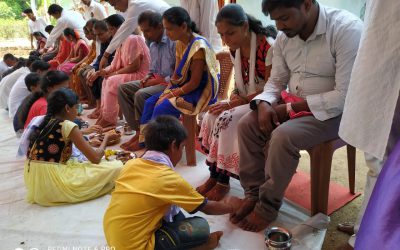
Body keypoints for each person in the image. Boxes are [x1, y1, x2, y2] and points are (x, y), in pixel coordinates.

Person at [229, 0, 363, 232]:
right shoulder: (284, 37)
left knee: (283, 136)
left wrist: (290, 109)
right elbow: (276, 81)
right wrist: (263, 103)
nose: (279, 26)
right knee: (247, 125)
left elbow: (343, 96)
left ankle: (267, 207)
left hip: (335, 113)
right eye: (276, 20)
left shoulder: (346, 29)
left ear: (307, 5)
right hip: (294, 104)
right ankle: (252, 193)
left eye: (285, 18)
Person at [104, 115, 233, 250]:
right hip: (134, 246)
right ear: (173, 146)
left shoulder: (131, 164)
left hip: (113, 235)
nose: (182, 151)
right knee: (201, 227)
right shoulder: (167, 179)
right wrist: (232, 206)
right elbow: (207, 208)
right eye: (182, 147)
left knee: (178, 215)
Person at [336, 0, 400, 248]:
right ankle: (368, 226)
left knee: (387, 162)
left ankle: (371, 234)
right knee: (378, 155)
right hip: (382, 42)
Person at [197, 4, 276, 201]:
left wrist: (236, 103)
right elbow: (240, 84)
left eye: (230, 33)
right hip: (246, 100)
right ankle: (214, 176)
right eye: (221, 35)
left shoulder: (268, 47)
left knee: (226, 120)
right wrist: (233, 97)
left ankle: (224, 182)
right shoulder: (236, 49)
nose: (225, 40)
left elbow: (274, 88)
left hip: (268, 103)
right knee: (211, 115)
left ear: (245, 27)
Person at [131, 7, 220, 151]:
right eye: (166, 29)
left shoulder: (198, 45)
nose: (167, 33)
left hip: (199, 91)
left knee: (162, 107)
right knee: (149, 102)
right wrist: (167, 91)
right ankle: (146, 142)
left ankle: (159, 149)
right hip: (183, 87)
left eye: (170, 29)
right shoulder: (180, 43)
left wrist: (171, 94)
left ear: (184, 26)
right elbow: (176, 76)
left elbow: (195, 82)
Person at [22, 87, 122, 206]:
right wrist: (106, 138)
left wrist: (84, 132)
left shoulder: (45, 121)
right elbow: (95, 158)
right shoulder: (68, 125)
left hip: (37, 185)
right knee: (117, 167)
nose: (78, 111)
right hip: (57, 184)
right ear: (67, 108)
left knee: (87, 163)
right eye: (76, 107)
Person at [119, 11, 176, 151]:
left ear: (159, 27)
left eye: (148, 31)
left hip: (170, 84)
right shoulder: (153, 45)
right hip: (155, 81)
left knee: (141, 94)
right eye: (143, 31)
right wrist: (146, 78)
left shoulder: (173, 43)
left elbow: (178, 73)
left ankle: (144, 137)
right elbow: (152, 69)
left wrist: (158, 81)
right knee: (122, 88)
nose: (145, 35)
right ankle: (138, 131)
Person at [93, 15, 150, 128]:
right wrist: (102, 71)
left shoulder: (133, 39)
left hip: (141, 75)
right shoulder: (121, 42)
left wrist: (114, 73)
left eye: (110, 29)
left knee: (111, 81)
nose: (110, 32)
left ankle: (109, 119)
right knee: (106, 79)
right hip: (130, 73)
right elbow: (114, 64)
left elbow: (134, 66)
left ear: (118, 28)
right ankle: (105, 115)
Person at [100, 0, 170, 70]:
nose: (115, 8)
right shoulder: (133, 6)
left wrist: (106, 55)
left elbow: (122, 32)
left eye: (114, 5)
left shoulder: (135, 5)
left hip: (167, 33)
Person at [84, 19, 118, 119]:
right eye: (96, 35)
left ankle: (105, 109)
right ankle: (99, 106)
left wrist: (99, 73)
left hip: (116, 68)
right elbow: (100, 57)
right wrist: (93, 69)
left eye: (101, 34)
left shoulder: (115, 41)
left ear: (109, 30)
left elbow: (115, 61)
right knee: (90, 76)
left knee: (101, 80)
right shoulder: (104, 42)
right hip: (108, 68)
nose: (98, 37)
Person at [70, 19, 99, 102]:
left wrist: (84, 64)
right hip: (93, 63)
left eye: (89, 32)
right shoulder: (93, 43)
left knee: (81, 71)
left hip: (95, 63)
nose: (86, 36)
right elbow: (89, 56)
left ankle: (91, 99)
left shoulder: (82, 42)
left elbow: (94, 57)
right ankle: (88, 98)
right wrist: (78, 64)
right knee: (78, 70)